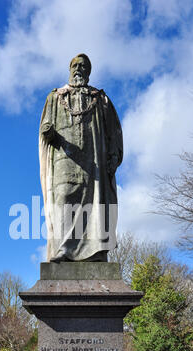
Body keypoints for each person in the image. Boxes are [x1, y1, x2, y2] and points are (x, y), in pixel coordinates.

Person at [39, 53, 123, 262]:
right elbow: (44, 127)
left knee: (96, 203)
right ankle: (64, 249)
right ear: (69, 70)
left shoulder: (100, 98)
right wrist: (47, 132)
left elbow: (114, 131)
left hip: (94, 160)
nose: (79, 68)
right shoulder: (55, 97)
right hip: (64, 158)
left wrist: (113, 156)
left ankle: (96, 252)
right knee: (64, 199)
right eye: (75, 65)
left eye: (83, 66)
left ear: (88, 71)